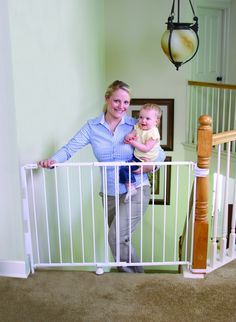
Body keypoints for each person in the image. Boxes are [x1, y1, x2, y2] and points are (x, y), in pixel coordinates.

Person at [39, 80, 166, 273]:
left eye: (126, 103)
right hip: (109, 194)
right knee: (119, 239)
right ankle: (133, 279)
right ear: (107, 99)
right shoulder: (92, 127)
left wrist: (150, 167)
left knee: (115, 237)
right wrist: (52, 160)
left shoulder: (136, 125)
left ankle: (134, 281)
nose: (121, 107)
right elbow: (69, 149)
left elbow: (160, 153)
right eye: (117, 101)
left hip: (137, 188)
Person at [120, 103, 162, 203]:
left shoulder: (153, 133)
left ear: (156, 121)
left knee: (125, 168)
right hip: (137, 157)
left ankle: (131, 188)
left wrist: (132, 142)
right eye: (141, 117)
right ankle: (131, 188)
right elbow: (130, 135)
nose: (143, 120)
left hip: (145, 160)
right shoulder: (138, 127)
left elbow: (146, 148)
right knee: (125, 168)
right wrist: (128, 137)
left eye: (148, 118)